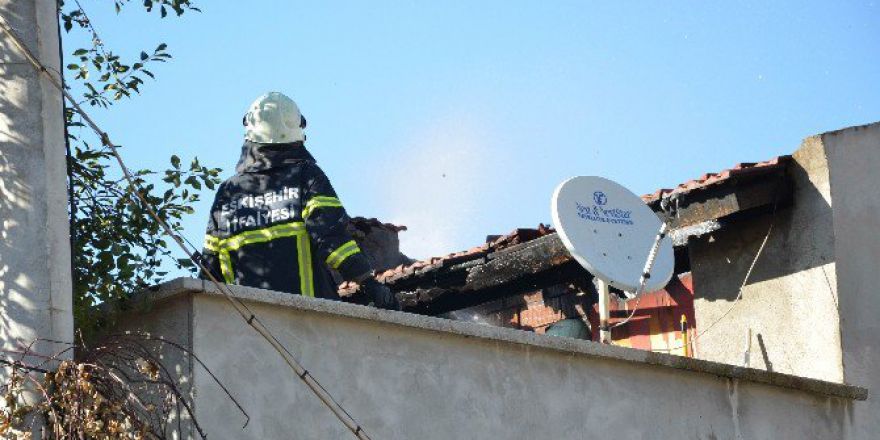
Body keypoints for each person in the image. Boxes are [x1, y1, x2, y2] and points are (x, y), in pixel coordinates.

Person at [199, 92, 398, 309]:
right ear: (297, 130)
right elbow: (332, 238)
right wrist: (368, 283)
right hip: (307, 322)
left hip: (246, 328)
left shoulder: (227, 193)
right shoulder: (306, 177)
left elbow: (210, 268)